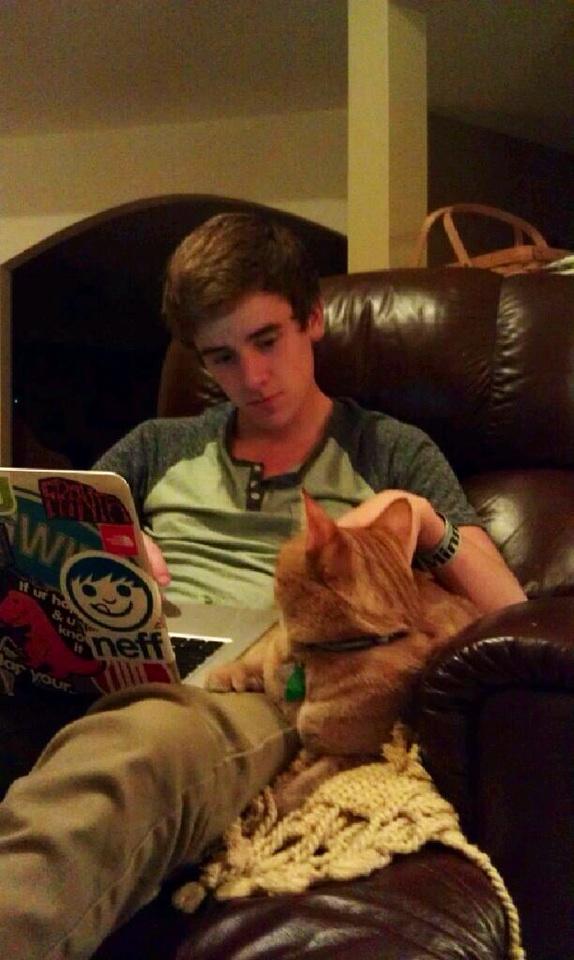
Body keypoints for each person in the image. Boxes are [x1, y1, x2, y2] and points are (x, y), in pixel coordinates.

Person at [0, 214, 526, 960]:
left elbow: (512, 612)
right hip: (124, 652)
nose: (250, 377)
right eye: (222, 357)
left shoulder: (386, 447)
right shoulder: (159, 445)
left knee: (141, 749)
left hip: (265, 683)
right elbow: (53, 523)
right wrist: (119, 545)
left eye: (267, 340)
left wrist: (418, 516)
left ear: (312, 319)